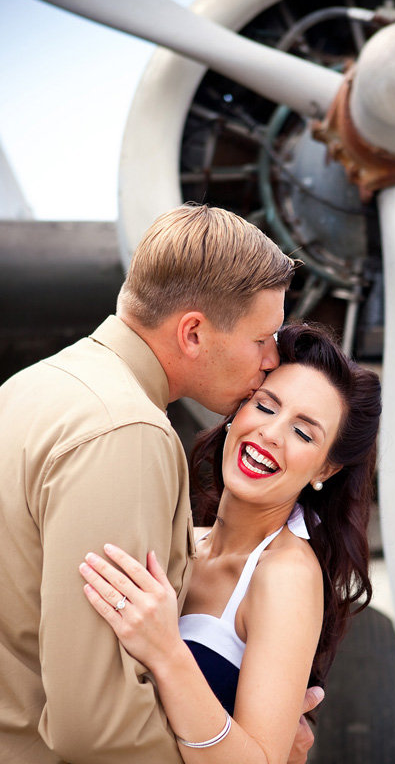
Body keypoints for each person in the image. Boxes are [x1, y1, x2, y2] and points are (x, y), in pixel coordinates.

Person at [0, 204, 325, 763]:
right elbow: (97, 726)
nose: (272, 359)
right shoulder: (127, 431)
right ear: (193, 332)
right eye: (261, 338)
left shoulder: (31, 386)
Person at [79, 322, 382, 763]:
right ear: (237, 411)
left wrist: (166, 652)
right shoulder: (182, 535)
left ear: (325, 471)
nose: (272, 434)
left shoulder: (286, 576)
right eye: (265, 406)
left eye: (303, 433)